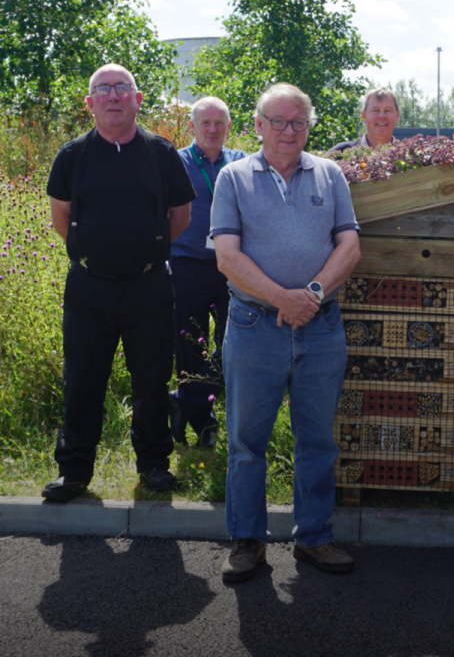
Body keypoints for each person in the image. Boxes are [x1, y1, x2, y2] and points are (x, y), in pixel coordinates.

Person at [211, 82, 361, 582]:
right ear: (258, 126)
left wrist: (311, 294)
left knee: (317, 440)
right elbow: (227, 257)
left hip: (320, 328)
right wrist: (284, 299)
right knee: (247, 442)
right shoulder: (233, 178)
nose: (289, 131)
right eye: (278, 121)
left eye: (298, 122)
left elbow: (350, 247)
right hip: (255, 327)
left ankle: (314, 538)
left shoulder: (331, 174)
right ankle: (247, 542)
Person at [43, 64, 195, 502]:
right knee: (83, 380)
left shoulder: (161, 153)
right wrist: (100, 252)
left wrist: (146, 251)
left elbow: (179, 217)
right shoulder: (72, 156)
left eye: (121, 88)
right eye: (103, 90)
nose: (113, 96)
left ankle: (153, 466)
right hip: (90, 288)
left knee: (151, 380)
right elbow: (62, 218)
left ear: (138, 98)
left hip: (149, 287)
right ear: (90, 103)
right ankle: (73, 472)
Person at [170, 97, 247, 449]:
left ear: (228, 127)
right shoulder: (176, 162)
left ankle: (186, 400)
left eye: (220, 123)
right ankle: (205, 426)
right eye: (206, 123)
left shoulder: (242, 163)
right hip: (188, 264)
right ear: (193, 127)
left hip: (232, 267)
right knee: (189, 347)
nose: (213, 129)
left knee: (233, 345)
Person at [328, 87, 401, 151]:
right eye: (375, 110)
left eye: (388, 110)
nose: (382, 116)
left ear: (397, 116)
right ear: (364, 116)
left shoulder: (409, 157)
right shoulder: (339, 154)